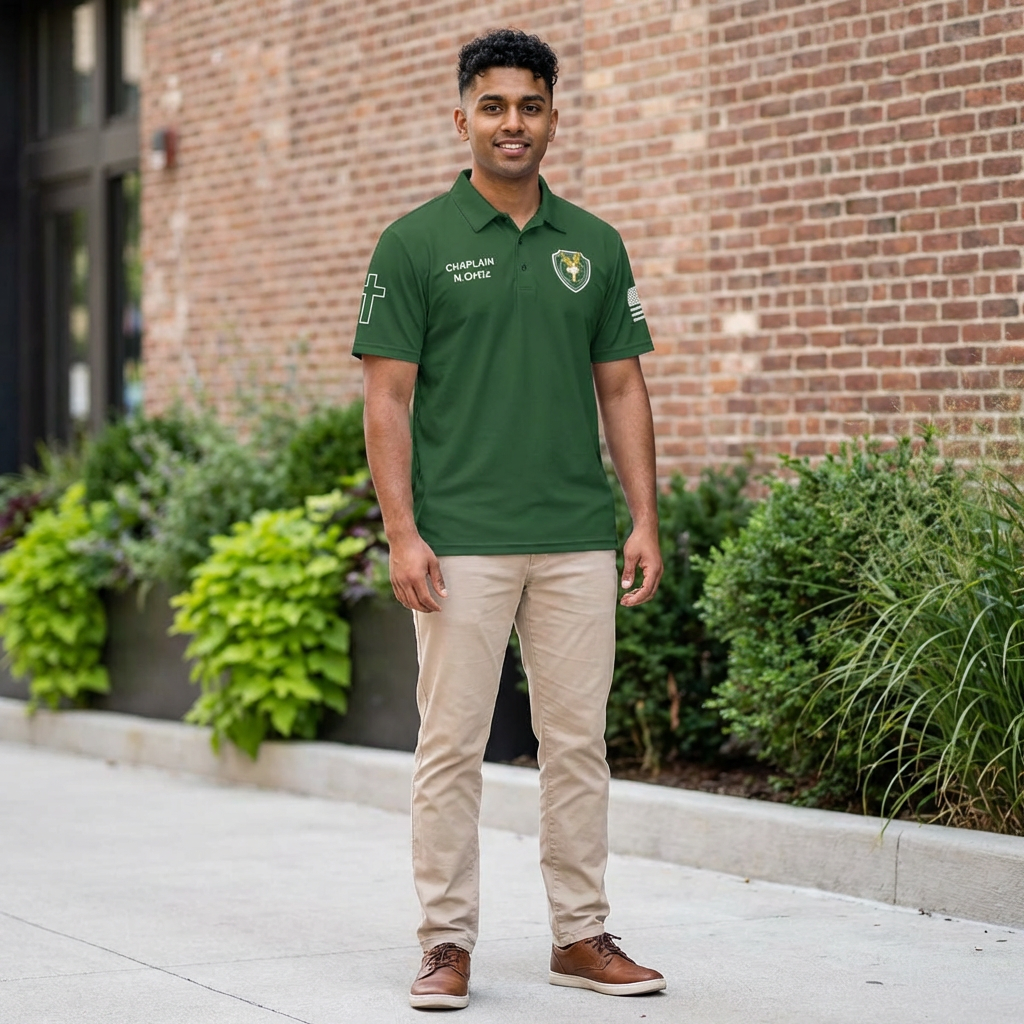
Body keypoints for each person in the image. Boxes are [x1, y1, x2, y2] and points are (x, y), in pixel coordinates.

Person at [353, 28, 666, 1011]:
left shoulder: (595, 245)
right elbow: (386, 400)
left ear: (553, 118)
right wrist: (402, 530)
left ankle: (580, 934)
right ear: (462, 119)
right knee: (450, 746)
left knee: (577, 743)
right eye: (493, 105)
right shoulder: (414, 244)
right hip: (460, 542)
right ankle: (445, 942)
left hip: (576, 533)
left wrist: (643, 518)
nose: (512, 123)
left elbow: (621, 389)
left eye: (530, 105)